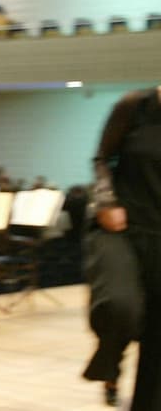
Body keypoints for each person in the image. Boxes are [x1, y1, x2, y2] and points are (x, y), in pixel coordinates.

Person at [89, 85, 161, 410]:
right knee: (122, 306)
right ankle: (110, 363)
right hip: (121, 226)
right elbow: (102, 157)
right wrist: (106, 201)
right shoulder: (134, 105)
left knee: (157, 337)